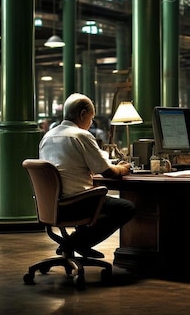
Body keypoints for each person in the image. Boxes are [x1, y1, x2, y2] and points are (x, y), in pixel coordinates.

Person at [38, 93, 135, 258]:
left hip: (50, 204)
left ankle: (76, 243)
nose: (90, 124)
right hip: (76, 203)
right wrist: (124, 168)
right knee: (126, 208)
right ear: (83, 114)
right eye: (91, 118)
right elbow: (108, 172)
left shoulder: (47, 136)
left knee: (94, 193)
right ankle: (77, 243)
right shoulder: (81, 135)